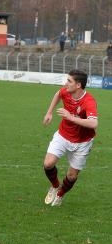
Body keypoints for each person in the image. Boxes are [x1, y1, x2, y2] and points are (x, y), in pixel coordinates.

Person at [42, 69, 98, 207]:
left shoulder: (88, 101)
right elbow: (57, 94)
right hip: (63, 135)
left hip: (82, 142)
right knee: (48, 164)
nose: (65, 83)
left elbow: (94, 123)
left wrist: (70, 117)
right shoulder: (66, 91)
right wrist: (49, 112)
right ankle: (55, 186)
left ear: (78, 85)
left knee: (72, 176)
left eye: (69, 81)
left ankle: (60, 194)